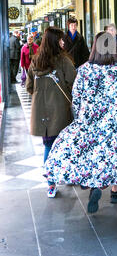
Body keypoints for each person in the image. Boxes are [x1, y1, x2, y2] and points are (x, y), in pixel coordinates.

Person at [44, 31, 117, 212]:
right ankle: (115, 190)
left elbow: (76, 99)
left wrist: (83, 116)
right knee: (115, 155)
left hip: (90, 123)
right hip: (116, 124)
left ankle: (95, 186)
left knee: (96, 155)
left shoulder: (85, 69)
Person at [26, 27, 77, 198]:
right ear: (55, 41)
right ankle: (68, 175)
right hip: (61, 111)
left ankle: (51, 184)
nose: (63, 42)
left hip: (42, 114)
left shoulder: (35, 60)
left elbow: (29, 87)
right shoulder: (63, 60)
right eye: (61, 40)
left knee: (48, 146)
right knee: (65, 144)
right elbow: (74, 82)